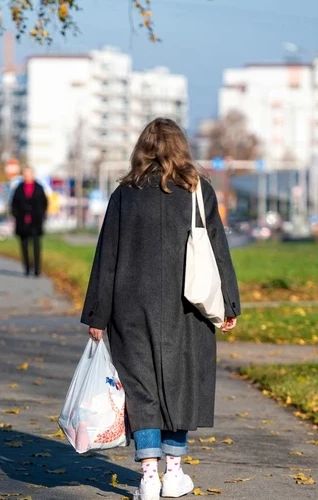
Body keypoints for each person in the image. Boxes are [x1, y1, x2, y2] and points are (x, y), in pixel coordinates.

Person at [80, 118, 241, 500]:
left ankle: (148, 477)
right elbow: (218, 249)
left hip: (130, 304)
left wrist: (97, 315)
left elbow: (108, 255)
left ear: (142, 149)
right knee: (180, 384)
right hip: (188, 305)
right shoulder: (199, 190)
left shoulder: (125, 193)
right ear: (181, 148)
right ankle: (174, 473)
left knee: (142, 388)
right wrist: (229, 304)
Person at [10, 167, 48, 277]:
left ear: (33, 175)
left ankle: (37, 269)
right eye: (25, 174)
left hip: (36, 222)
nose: (27, 176)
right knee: (24, 246)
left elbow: (44, 203)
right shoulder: (19, 188)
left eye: (29, 174)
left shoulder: (39, 188)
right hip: (22, 222)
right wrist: (16, 215)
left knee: (36, 246)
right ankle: (27, 268)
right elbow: (13, 204)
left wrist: (40, 215)